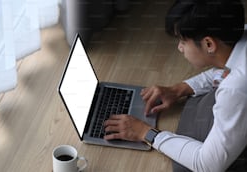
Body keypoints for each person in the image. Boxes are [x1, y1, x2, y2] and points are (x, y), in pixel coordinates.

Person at [103, 0, 247, 171]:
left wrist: (145, 133)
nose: (180, 48)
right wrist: (179, 89)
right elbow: (226, 70)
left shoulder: (235, 90)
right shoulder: (241, 35)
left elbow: (207, 165)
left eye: (183, 41)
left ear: (209, 44)